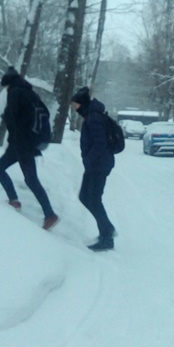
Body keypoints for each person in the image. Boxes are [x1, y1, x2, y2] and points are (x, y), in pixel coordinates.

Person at [0, 66, 59, 230]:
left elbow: (14, 118)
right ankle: (47, 213)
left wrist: (6, 116)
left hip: (20, 143)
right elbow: (41, 114)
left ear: (7, 83)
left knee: (1, 169)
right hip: (27, 142)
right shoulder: (30, 92)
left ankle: (20, 203)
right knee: (29, 178)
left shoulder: (15, 93)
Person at [71, 86, 116, 251]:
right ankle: (106, 231)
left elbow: (100, 143)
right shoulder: (92, 115)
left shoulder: (93, 118)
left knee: (91, 198)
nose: (74, 108)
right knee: (88, 197)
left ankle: (107, 235)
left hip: (98, 165)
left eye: (75, 105)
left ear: (81, 104)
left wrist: (89, 161)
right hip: (98, 164)